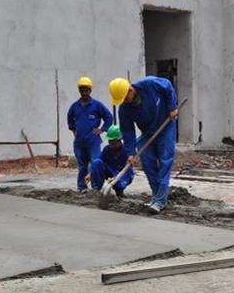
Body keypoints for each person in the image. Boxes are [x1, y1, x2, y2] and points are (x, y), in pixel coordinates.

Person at [109, 76, 178, 213]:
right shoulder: (124, 109)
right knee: (147, 163)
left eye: (124, 98)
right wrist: (130, 153)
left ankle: (160, 201)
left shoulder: (149, 84)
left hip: (165, 127)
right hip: (147, 132)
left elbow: (167, 86)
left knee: (165, 162)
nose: (124, 102)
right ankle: (156, 196)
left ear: (130, 90)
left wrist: (172, 107)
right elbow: (128, 132)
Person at [67, 76, 112, 192]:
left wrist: (102, 129)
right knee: (82, 165)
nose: (84, 93)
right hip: (79, 142)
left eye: (86, 90)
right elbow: (69, 117)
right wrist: (73, 129)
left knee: (95, 163)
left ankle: (96, 187)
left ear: (90, 90)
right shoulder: (75, 106)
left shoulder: (97, 105)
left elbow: (108, 116)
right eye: (82, 90)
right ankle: (82, 187)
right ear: (79, 91)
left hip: (93, 141)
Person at [86, 125, 134, 197]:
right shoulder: (107, 149)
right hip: (110, 171)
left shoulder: (127, 151)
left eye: (112, 142)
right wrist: (90, 173)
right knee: (97, 162)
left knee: (120, 184)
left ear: (119, 140)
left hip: (123, 173)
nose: (110, 143)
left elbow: (128, 169)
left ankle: (119, 191)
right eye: (109, 141)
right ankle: (96, 189)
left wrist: (116, 177)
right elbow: (99, 160)